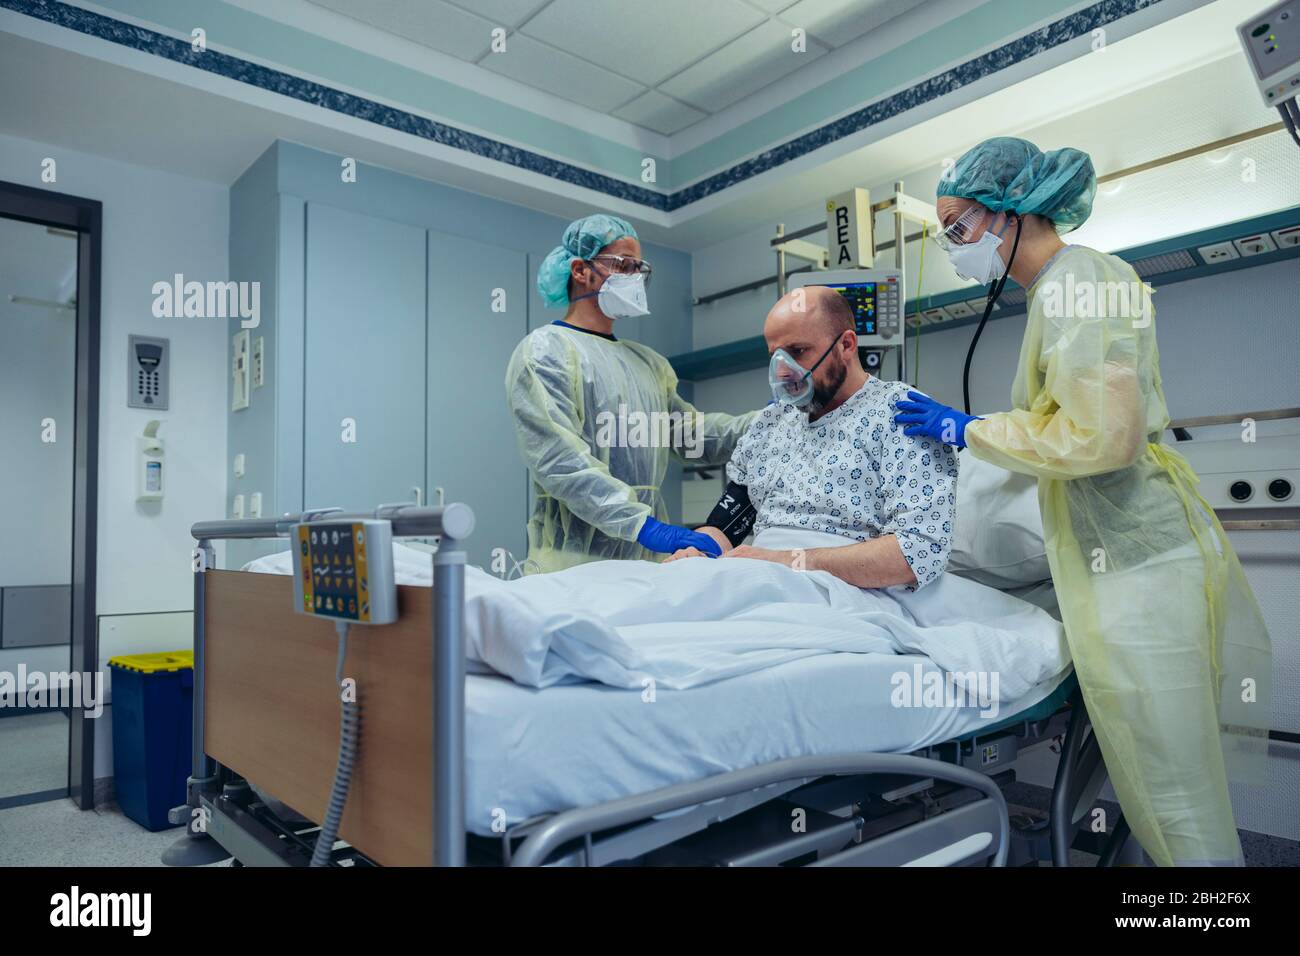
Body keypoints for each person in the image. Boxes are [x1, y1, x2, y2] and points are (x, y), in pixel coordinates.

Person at [893, 136, 1272, 866]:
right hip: (1117, 562)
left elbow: (1103, 438)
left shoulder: (1081, 280)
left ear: (1011, 212)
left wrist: (968, 430)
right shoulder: (1052, 294)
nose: (954, 247)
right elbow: (1060, 428)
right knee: (1150, 775)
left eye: (958, 228)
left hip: (1142, 562)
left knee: (1174, 784)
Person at [506, 214, 756, 574]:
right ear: (580, 271)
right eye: (623, 265)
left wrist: (767, 422)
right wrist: (644, 526)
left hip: (645, 566)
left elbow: (691, 437)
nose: (635, 278)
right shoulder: (547, 351)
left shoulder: (647, 364)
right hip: (571, 567)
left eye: (640, 269)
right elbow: (561, 463)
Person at [669, 285, 958, 593]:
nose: (782, 372)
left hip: (849, 591)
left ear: (846, 345)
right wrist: (696, 552)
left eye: (797, 352)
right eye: (775, 356)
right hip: (762, 576)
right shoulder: (771, 423)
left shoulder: (903, 413)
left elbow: (918, 553)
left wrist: (786, 562)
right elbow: (726, 525)